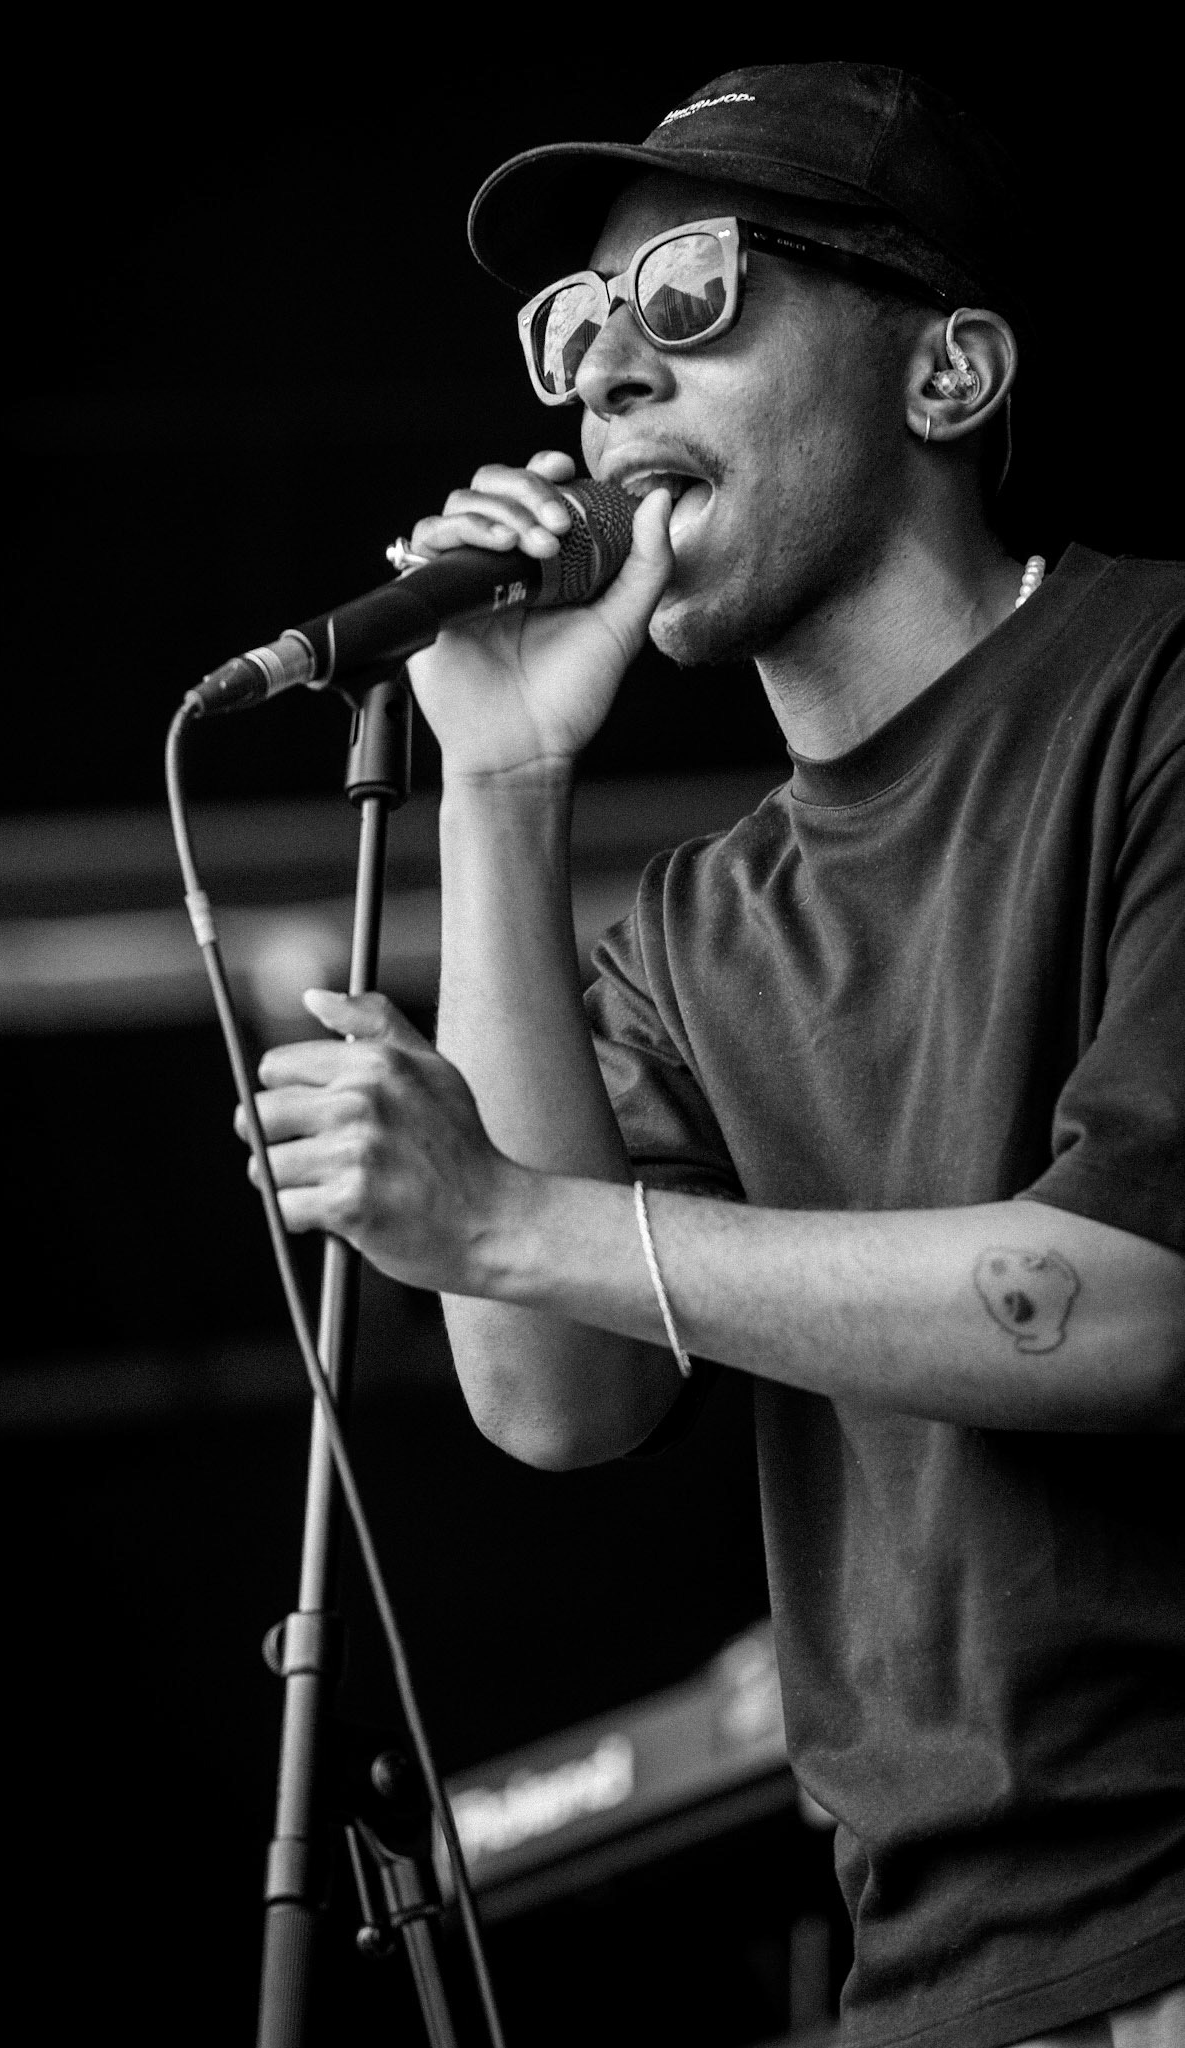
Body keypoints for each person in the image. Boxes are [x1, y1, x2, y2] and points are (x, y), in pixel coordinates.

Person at [241, 63, 1185, 2048]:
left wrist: (510, 1215)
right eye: (576, 329)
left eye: (689, 294)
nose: (606, 376)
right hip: (925, 1974)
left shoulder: (1153, 691)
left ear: (946, 376)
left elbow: (1131, 1305)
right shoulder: (699, 926)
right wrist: (500, 784)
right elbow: (555, 1398)